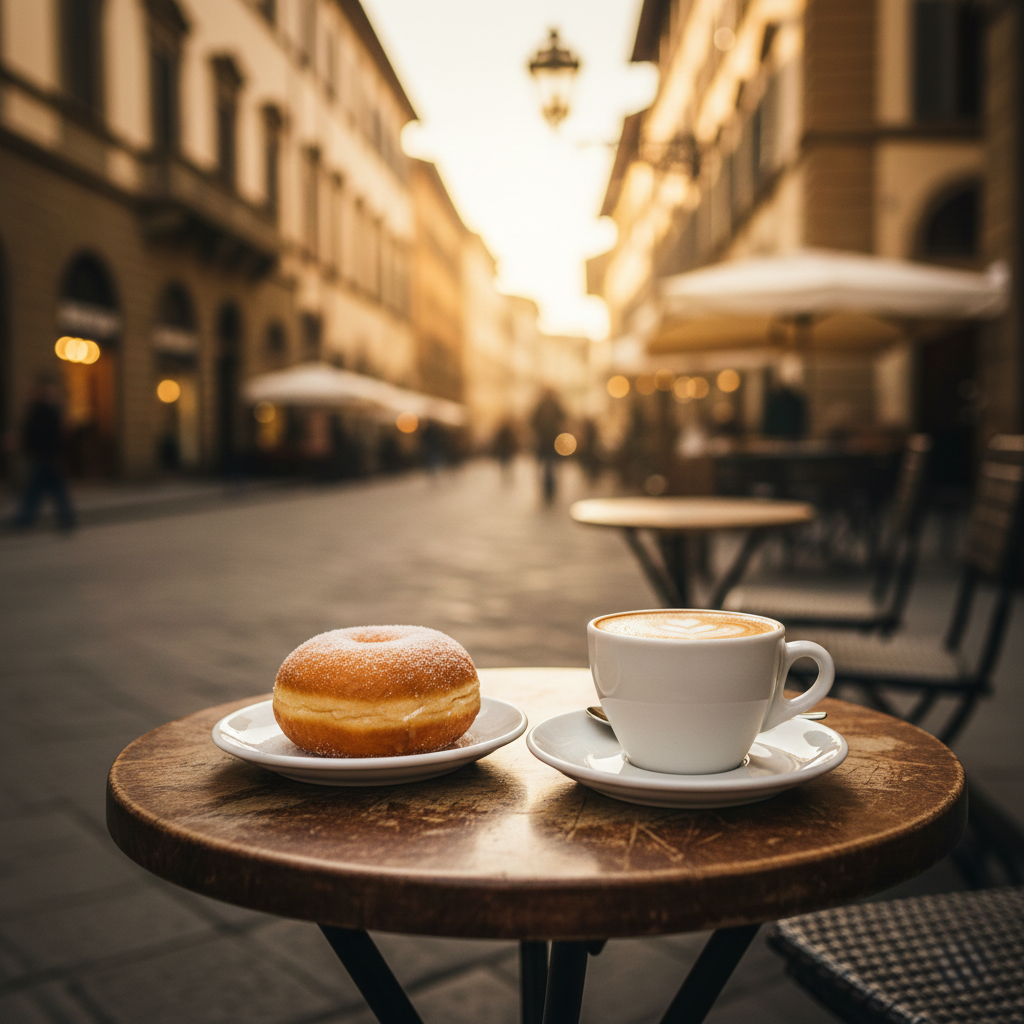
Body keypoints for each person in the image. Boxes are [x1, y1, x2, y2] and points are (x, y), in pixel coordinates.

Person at [12, 375, 77, 530]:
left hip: (46, 456)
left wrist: (24, 443)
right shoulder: (45, 410)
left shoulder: (45, 411)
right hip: (47, 456)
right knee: (44, 489)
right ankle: (66, 518)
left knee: (39, 489)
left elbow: (44, 434)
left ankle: (25, 519)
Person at [530, 389, 566, 503]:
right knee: (551, 464)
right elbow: (564, 418)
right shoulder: (555, 404)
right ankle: (550, 487)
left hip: (543, 441)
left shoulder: (540, 405)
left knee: (545, 465)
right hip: (552, 440)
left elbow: (532, 420)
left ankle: (547, 487)